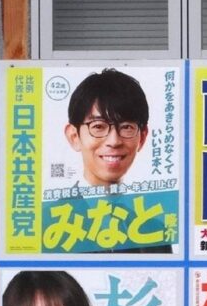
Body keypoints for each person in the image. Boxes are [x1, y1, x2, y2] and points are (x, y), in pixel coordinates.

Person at [60, 67, 172, 253]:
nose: (114, 141)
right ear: (74, 136)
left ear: (142, 137)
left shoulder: (155, 232)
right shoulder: (48, 223)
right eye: (98, 126)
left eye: (127, 127)